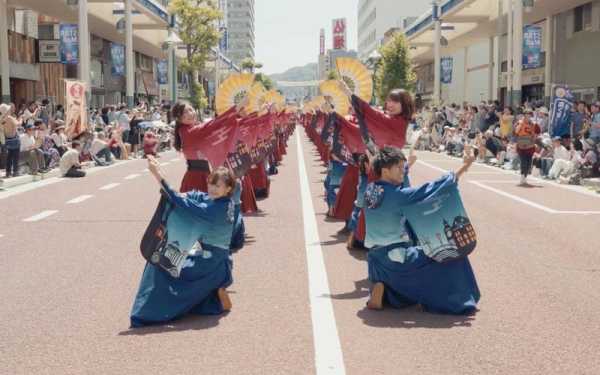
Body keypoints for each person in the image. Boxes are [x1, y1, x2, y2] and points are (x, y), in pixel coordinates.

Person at [364, 146, 480, 313]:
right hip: (395, 260)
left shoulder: (371, 190)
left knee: (410, 229)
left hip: (375, 262)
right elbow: (434, 188)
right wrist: (465, 166)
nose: (403, 171)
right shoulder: (399, 196)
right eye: (399, 167)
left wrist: (406, 165)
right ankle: (460, 301)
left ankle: (384, 288)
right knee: (451, 254)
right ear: (385, 170)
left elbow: (394, 189)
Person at [129, 157, 236, 327]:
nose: (212, 189)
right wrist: (183, 194)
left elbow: (184, 203)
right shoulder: (225, 202)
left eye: (217, 186)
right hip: (216, 260)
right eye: (211, 184)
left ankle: (149, 314)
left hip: (209, 264)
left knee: (163, 263)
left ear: (228, 188)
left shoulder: (214, 209)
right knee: (171, 258)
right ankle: (214, 293)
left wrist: (157, 174)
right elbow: (196, 195)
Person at [514, 108, 541, 186]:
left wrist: (534, 137)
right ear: (524, 115)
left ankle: (525, 177)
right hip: (521, 144)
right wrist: (520, 124)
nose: (528, 116)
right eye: (526, 115)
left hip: (530, 145)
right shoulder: (519, 122)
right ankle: (522, 176)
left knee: (529, 163)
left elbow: (538, 132)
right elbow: (515, 132)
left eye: (529, 115)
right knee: (523, 161)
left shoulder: (534, 124)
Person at [0, 103, 21, 177]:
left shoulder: (1, 119)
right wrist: (20, 119)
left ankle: (8, 172)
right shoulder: (9, 117)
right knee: (15, 156)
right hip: (14, 139)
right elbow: (18, 124)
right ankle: (15, 171)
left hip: (7, 140)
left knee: (9, 156)